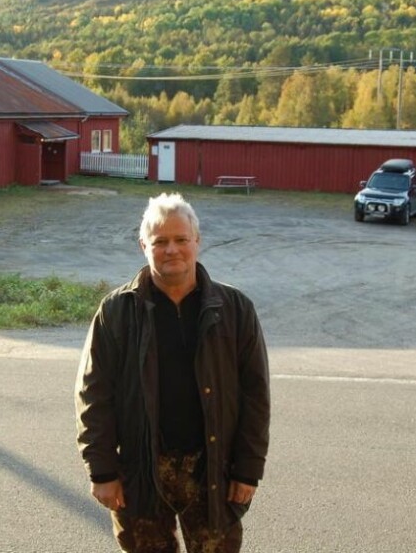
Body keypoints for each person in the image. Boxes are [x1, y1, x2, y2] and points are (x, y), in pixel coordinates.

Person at [75, 192, 271, 552]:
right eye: (160, 241)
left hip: (213, 469)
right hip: (142, 470)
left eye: (181, 239)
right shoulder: (117, 312)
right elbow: (93, 395)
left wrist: (248, 469)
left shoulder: (235, 310)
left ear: (197, 241)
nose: (172, 250)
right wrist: (102, 471)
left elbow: (255, 396)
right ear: (143, 245)